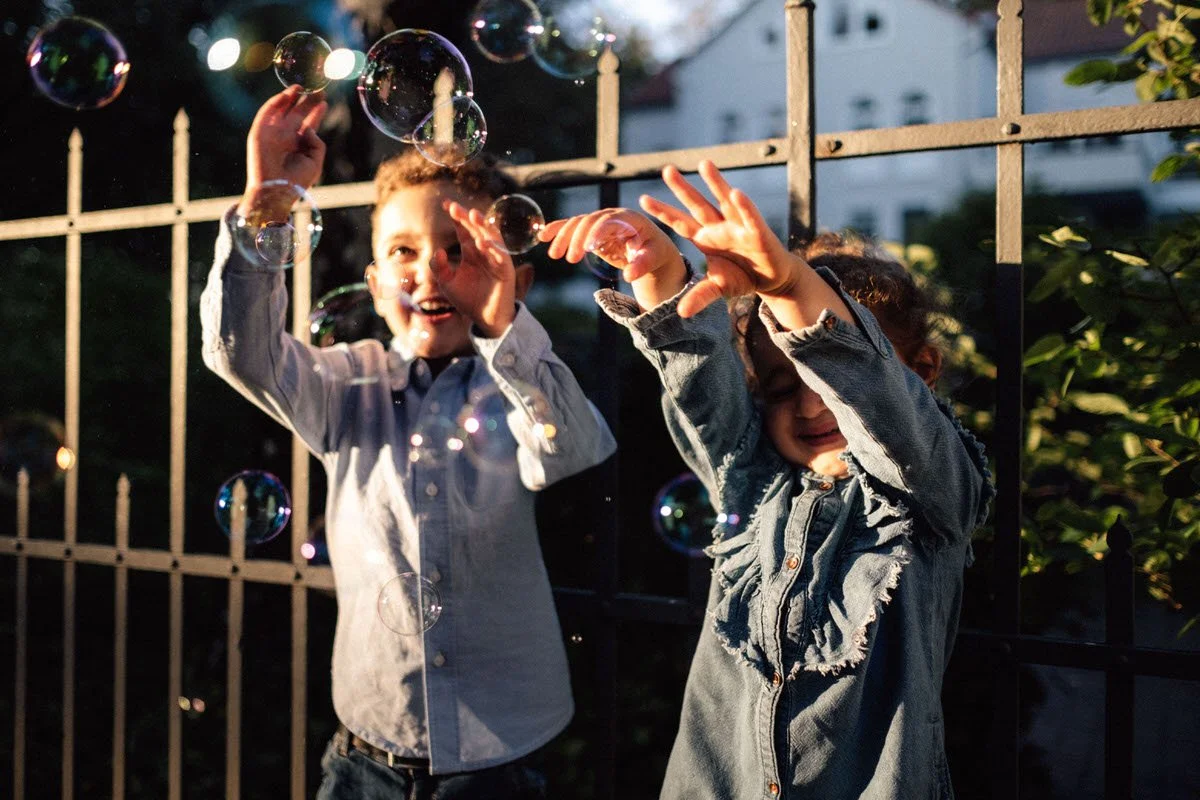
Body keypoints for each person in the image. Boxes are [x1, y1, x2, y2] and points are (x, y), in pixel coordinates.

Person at [201, 85, 616, 799]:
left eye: (460, 251)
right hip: (365, 754)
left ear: (514, 279)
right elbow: (241, 353)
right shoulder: (344, 385)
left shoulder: (519, 385)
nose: (430, 270)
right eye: (403, 251)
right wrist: (265, 203)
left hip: (501, 760)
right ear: (373, 281)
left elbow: (572, 447)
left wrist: (503, 332)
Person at [540, 160, 992, 799]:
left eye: (824, 384)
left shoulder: (931, 492)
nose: (808, 407)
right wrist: (660, 271)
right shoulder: (751, 480)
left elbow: (888, 415)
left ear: (921, 375)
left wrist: (788, 285)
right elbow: (700, 377)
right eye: (783, 387)